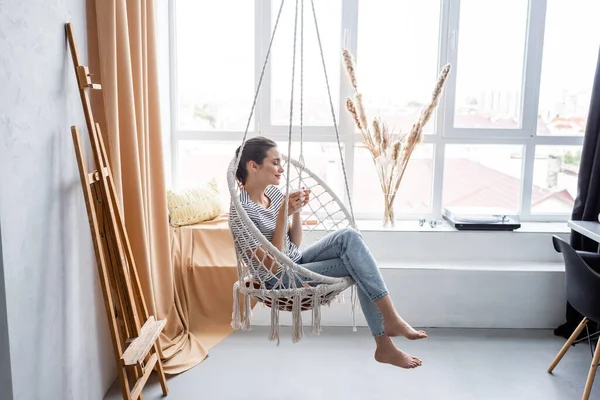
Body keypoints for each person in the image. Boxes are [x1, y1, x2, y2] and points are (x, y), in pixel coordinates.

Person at [230, 136, 426, 369]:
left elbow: (293, 242)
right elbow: (272, 267)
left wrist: (296, 212)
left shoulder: (272, 195)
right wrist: (284, 212)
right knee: (358, 265)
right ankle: (387, 331)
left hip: (297, 263)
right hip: (279, 279)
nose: (281, 168)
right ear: (253, 166)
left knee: (349, 237)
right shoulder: (240, 214)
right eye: (275, 162)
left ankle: (388, 330)